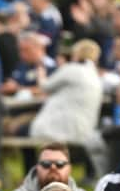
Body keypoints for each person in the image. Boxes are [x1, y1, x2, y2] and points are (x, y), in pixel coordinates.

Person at [29, 39, 105, 176]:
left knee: (21, 131)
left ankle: (31, 173)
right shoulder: (94, 75)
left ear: (76, 53)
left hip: (59, 128)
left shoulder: (71, 69)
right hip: (84, 128)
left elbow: (45, 86)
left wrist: (40, 73)